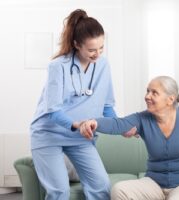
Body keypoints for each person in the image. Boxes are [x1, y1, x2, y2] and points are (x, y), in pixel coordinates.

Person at [30, 9, 135, 200]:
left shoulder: (103, 65)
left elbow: (107, 106)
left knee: (101, 186)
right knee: (59, 190)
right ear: (77, 44)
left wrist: (122, 128)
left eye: (101, 48)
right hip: (49, 135)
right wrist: (78, 124)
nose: (97, 54)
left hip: (81, 138)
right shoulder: (58, 67)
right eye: (92, 50)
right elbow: (53, 111)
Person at [79, 76, 179, 200]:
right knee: (120, 190)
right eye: (147, 91)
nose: (147, 96)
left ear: (170, 99)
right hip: (154, 183)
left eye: (154, 93)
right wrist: (95, 122)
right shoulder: (142, 118)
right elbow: (118, 124)